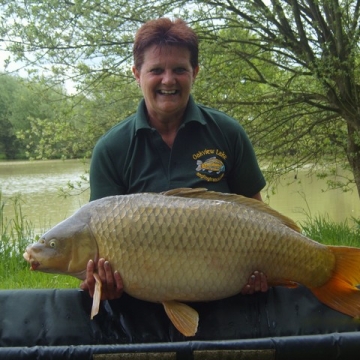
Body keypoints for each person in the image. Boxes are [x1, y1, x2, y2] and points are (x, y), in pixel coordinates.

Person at [80, 18, 269, 302]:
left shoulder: (228, 132)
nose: (168, 80)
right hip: (142, 308)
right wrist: (101, 284)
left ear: (195, 72)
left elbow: (259, 214)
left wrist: (262, 273)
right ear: (136, 73)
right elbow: (99, 242)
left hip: (227, 298)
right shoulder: (111, 148)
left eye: (179, 69)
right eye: (156, 70)